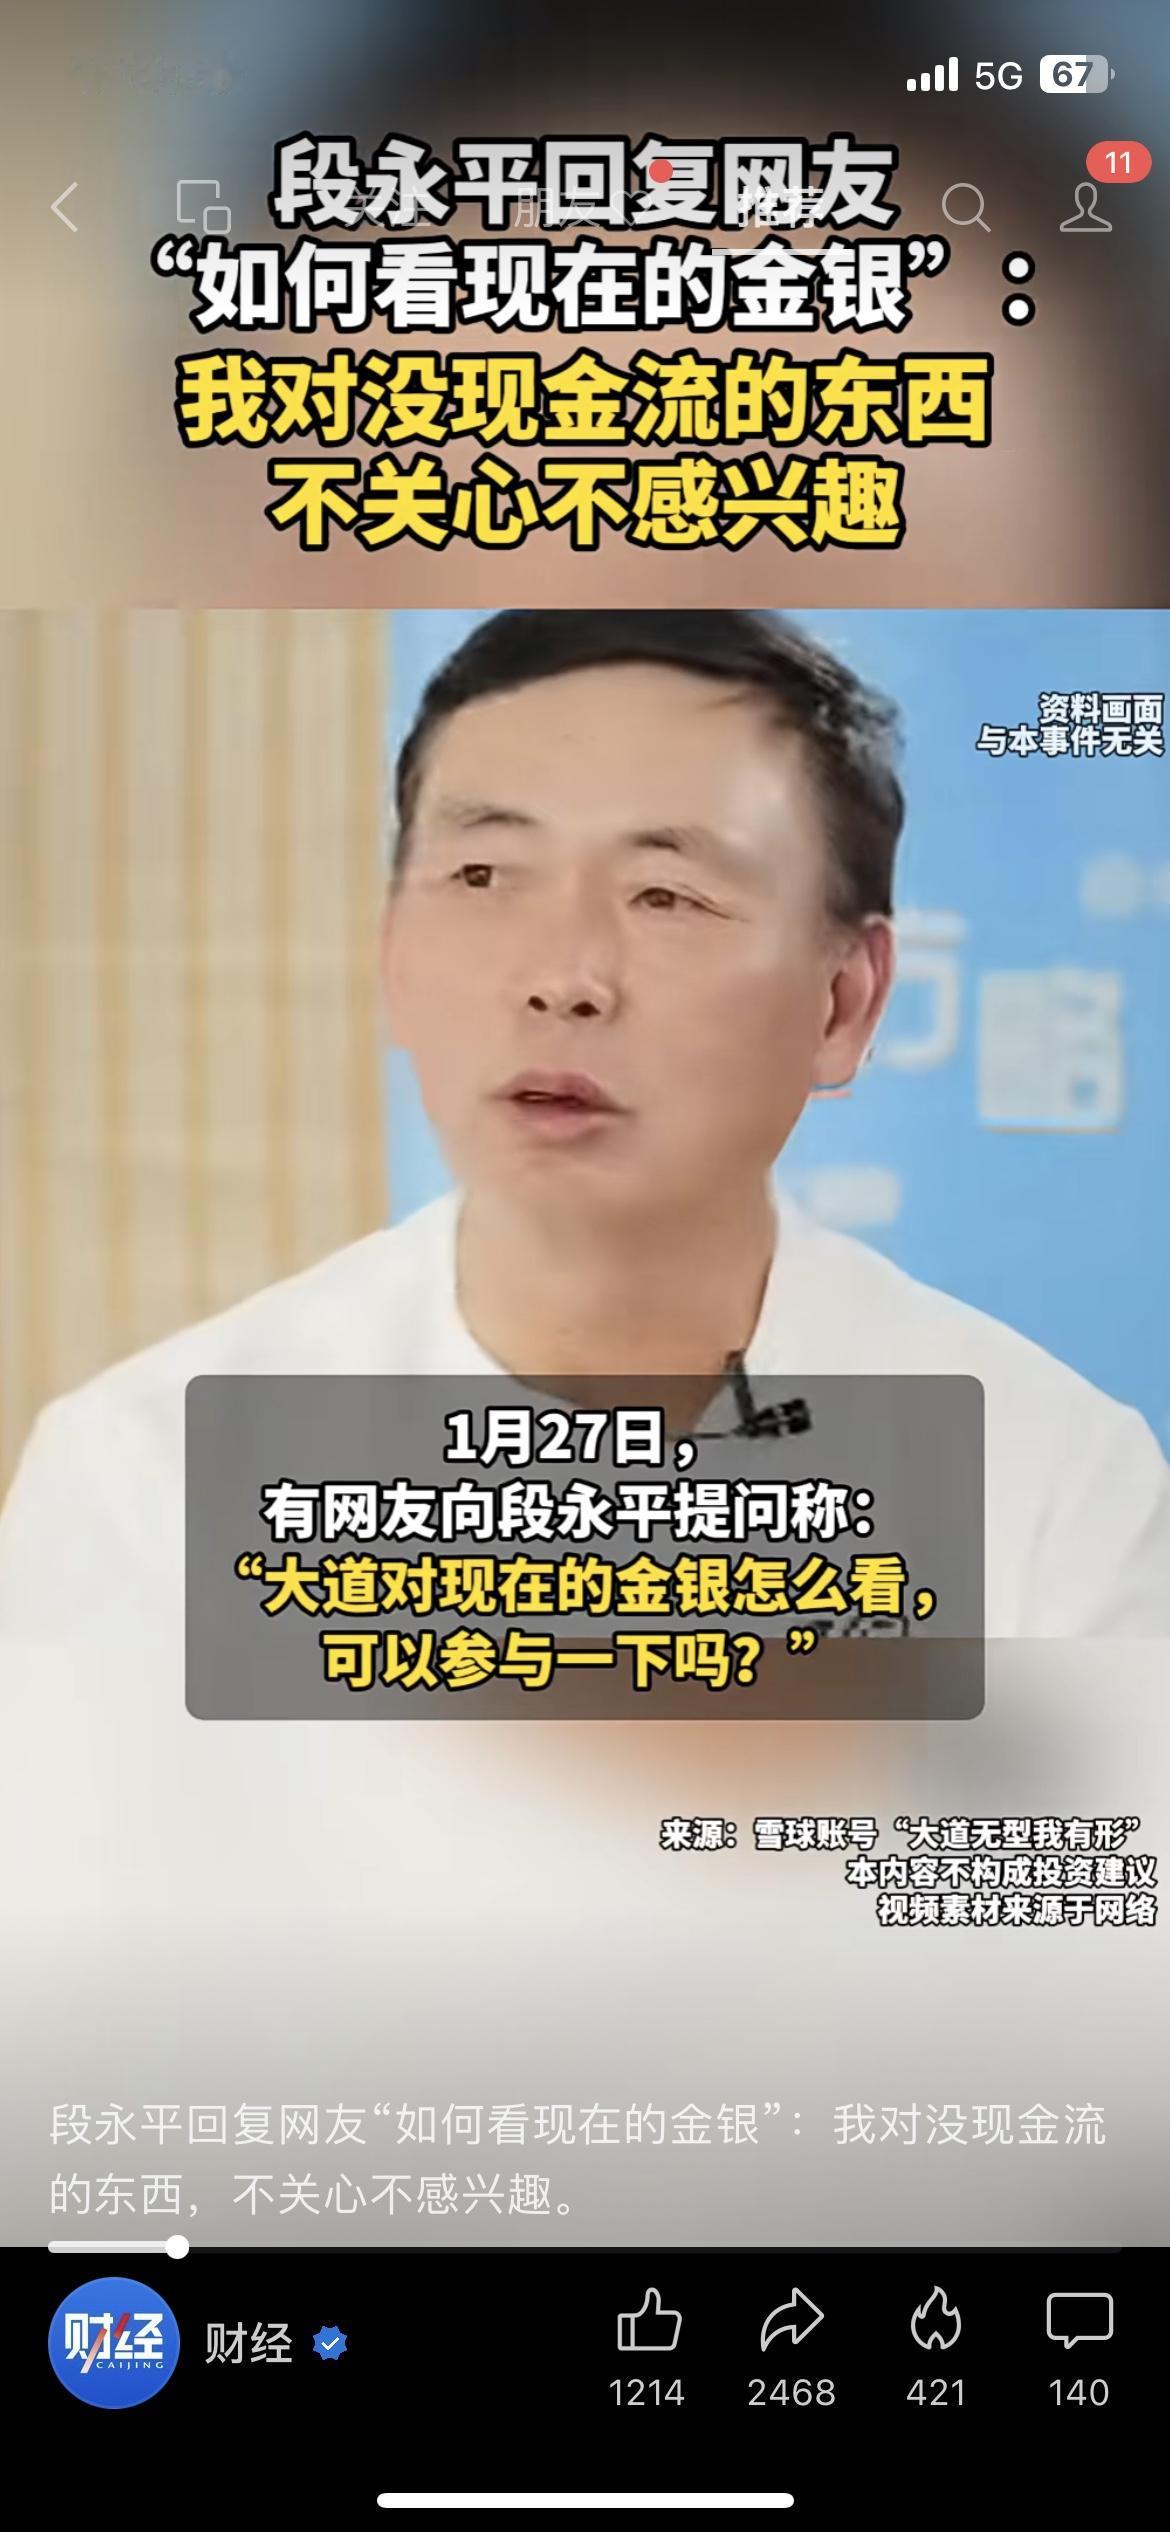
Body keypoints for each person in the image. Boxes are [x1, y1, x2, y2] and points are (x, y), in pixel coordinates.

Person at [1, 608, 1168, 1639]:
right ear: (394, 957)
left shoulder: (1050, 1488)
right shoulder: (151, 1484)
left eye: (667, 894)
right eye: (483, 876)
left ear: (843, 1003)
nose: (562, 977)